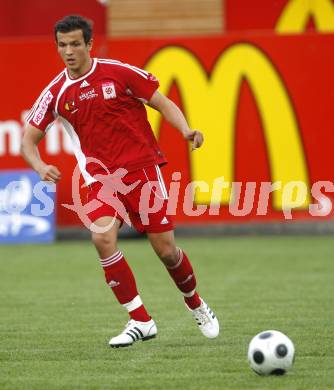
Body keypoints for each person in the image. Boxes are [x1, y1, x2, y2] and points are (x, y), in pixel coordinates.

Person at [21, 15, 219, 348]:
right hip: (100, 178)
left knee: (167, 252)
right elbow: (28, 139)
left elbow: (162, 101)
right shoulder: (56, 92)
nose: (68, 52)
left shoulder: (120, 72)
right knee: (102, 238)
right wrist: (39, 165)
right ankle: (140, 319)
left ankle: (194, 301)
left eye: (75, 44)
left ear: (89, 44)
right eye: (62, 45)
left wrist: (185, 129)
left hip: (142, 170)